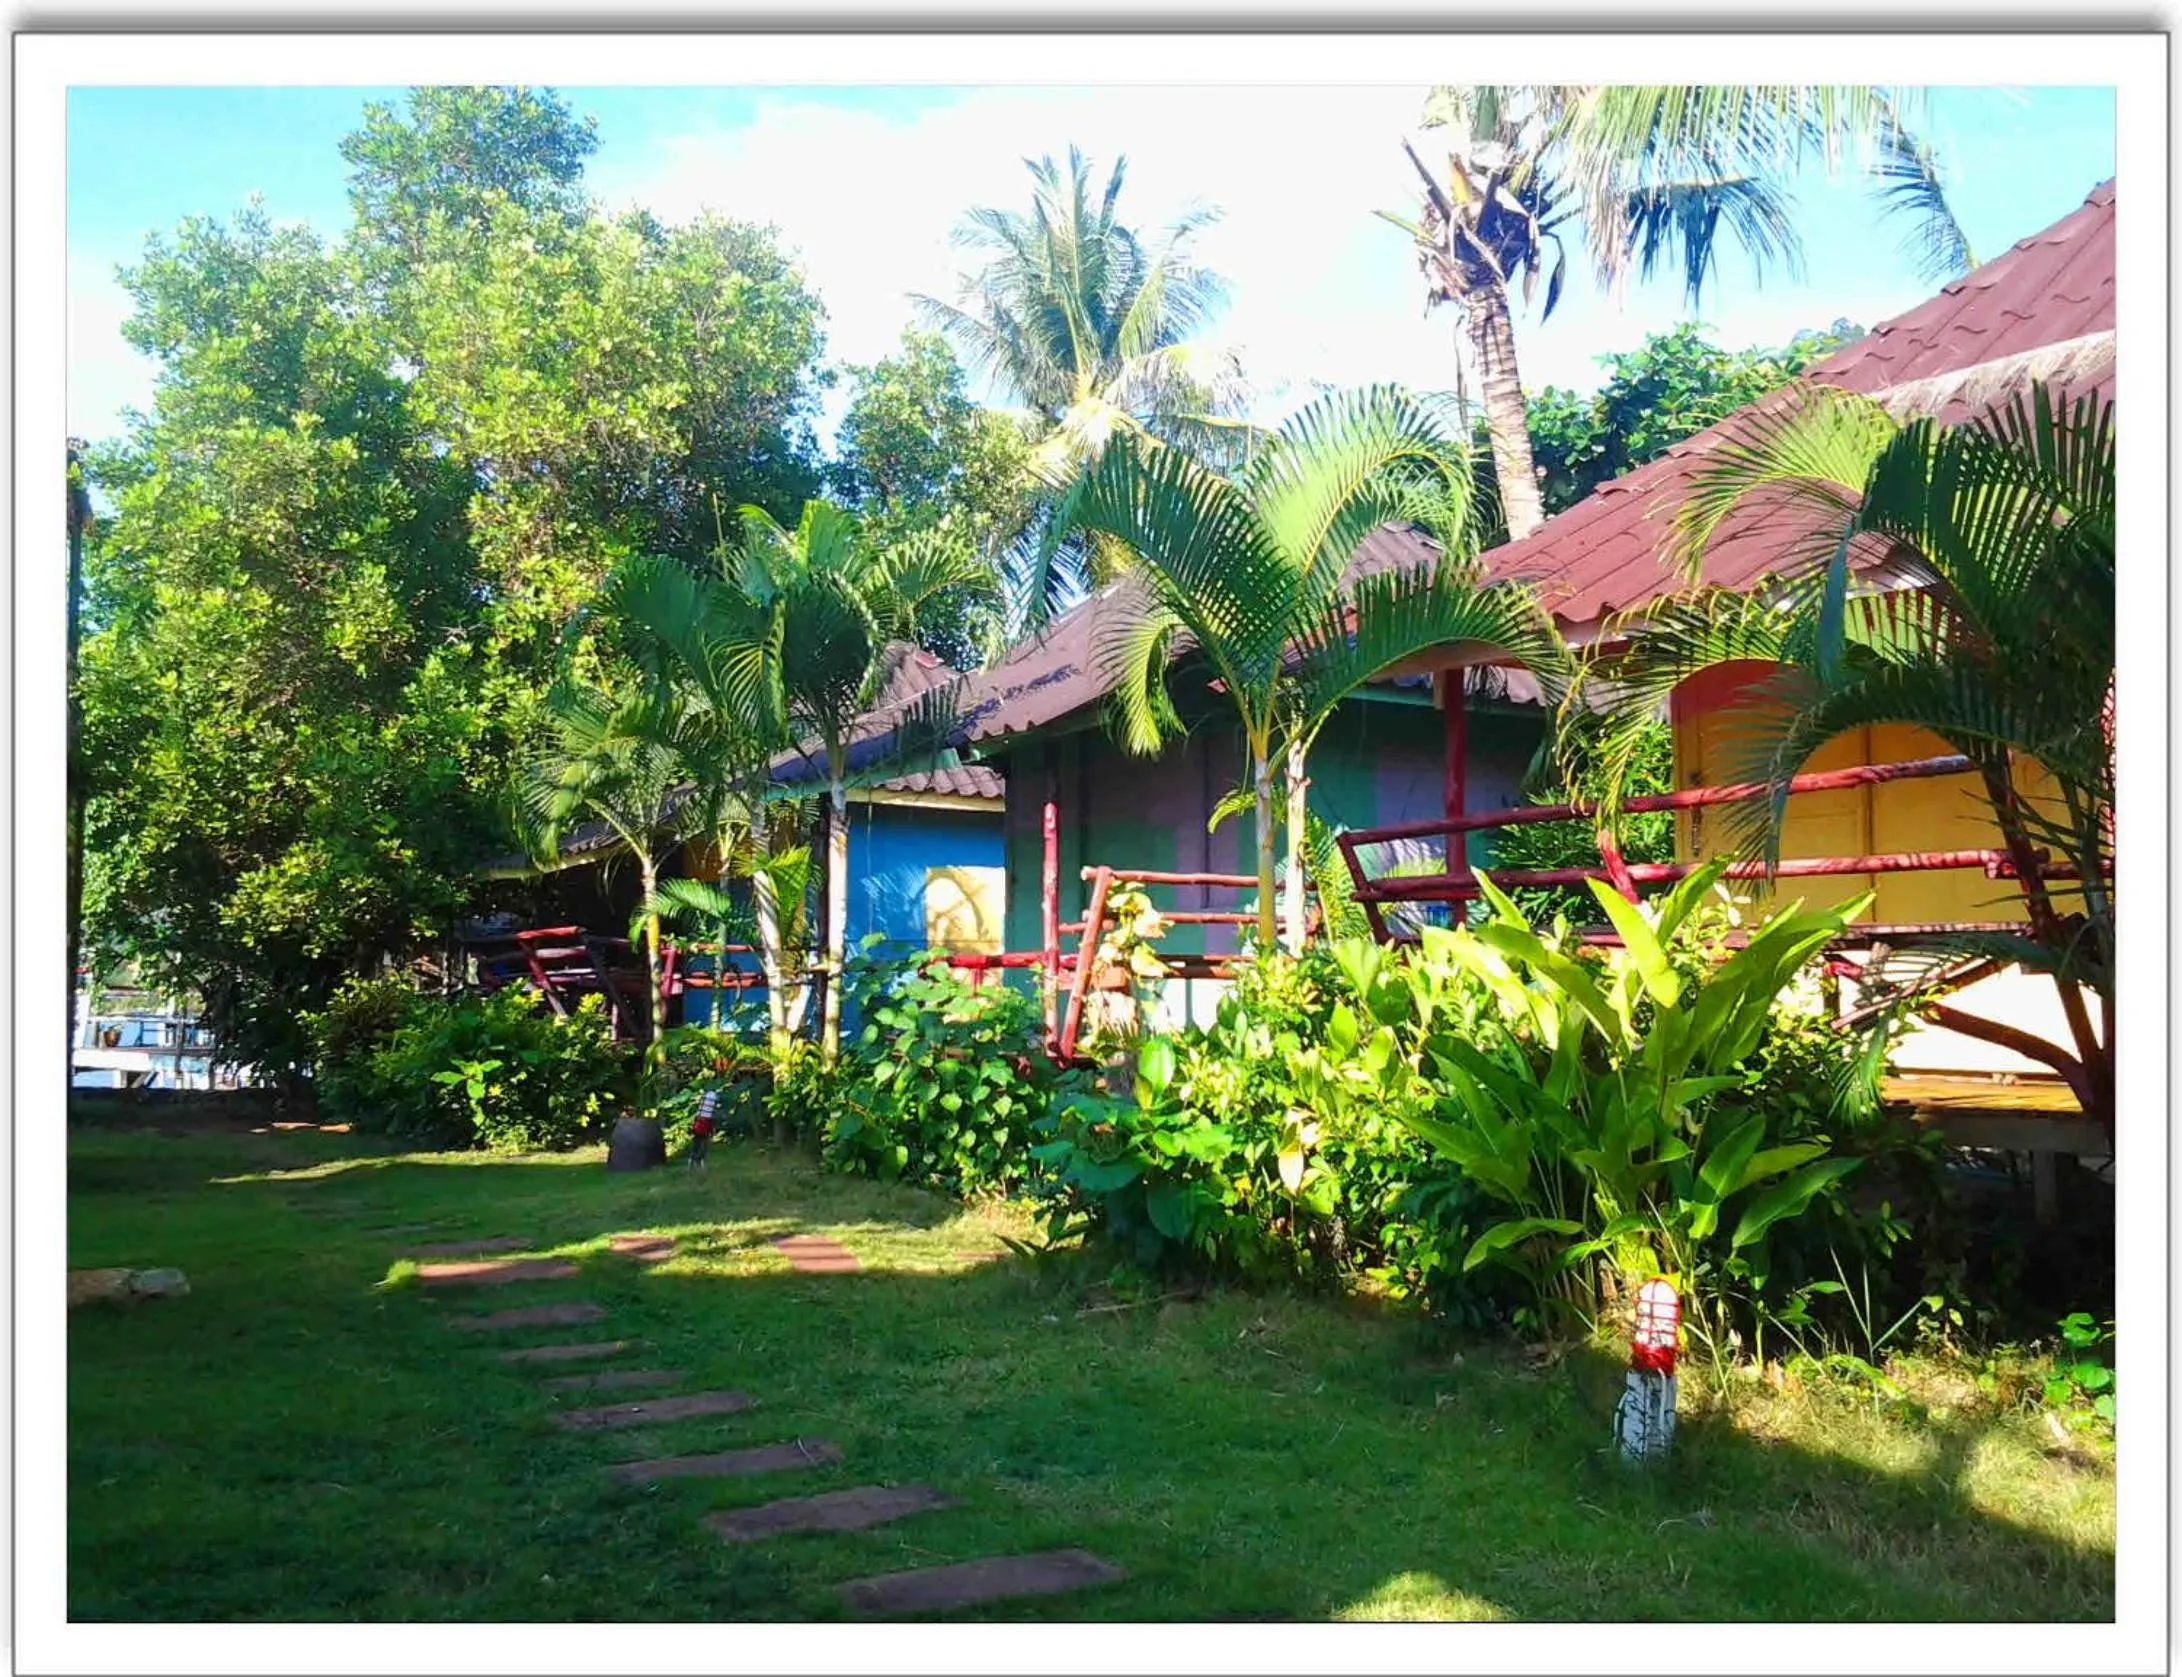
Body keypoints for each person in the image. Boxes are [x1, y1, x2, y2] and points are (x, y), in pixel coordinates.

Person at [687, 1089, 718, 1170]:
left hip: (697, 1131)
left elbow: (695, 1122)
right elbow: (711, 1125)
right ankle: (700, 1163)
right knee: (703, 1147)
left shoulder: (699, 1115)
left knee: (696, 1146)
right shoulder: (709, 1116)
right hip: (704, 1132)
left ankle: (691, 1162)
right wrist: (712, 1133)